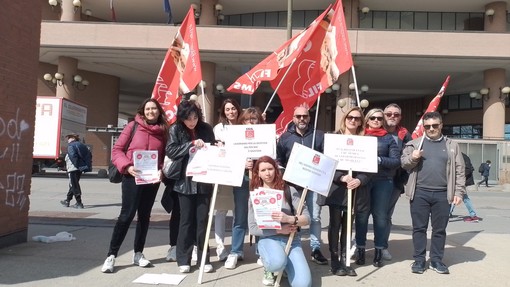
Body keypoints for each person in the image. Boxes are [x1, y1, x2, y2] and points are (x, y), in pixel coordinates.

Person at [101, 98, 168, 273]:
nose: (151, 112)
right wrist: (127, 166)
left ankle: (138, 253)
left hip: (151, 179)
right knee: (126, 215)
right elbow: (117, 151)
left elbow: (165, 156)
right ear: (142, 111)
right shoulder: (133, 127)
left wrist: (162, 169)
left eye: (154, 109)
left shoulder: (163, 131)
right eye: (148, 109)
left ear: (159, 111)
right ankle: (111, 255)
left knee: (144, 217)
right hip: (132, 177)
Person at [401, 111, 464, 275]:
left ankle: (436, 260)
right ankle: (419, 260)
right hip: (420, 193)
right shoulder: (414, 144)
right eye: (427, 126)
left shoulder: (452, 145)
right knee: (419, 228)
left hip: (443, 194)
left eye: (435, 125)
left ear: (441, 125)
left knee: (439, 230)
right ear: (423, 127)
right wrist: (414, 158)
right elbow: (404, 164)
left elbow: (459, 170)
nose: (431, 129)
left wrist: (459, 191)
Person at [317, 107, 370, 277]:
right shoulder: (334, 138)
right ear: (345, 119)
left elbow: (369, 169)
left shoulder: (365, 141)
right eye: (349, 117)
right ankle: (335, 261)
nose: (353, 120)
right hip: (338, 190)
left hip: (355, 191)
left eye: (356, 118)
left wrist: (359, 180)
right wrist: (341, 177)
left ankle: (346, 260)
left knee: (348, 227)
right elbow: (326, 163)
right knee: (335, 225)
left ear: (361, 121)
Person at [166, 99, 216, 274]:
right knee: (186, 221)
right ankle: (183, 258)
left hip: (204, 182)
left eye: (194, 117)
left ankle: (204, 258)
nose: (192, 121)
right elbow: (171, 151)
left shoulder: (206, 128)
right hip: (184, 182)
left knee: (202, 220)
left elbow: (213, 148)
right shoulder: (175, 129)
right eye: (188, 118)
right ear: (181, 118)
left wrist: (218, 146)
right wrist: (191, 144)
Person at [248, 156, 312, 287]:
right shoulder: (255, 195)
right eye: (263, 170)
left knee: (303, 284)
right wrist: (279, 230)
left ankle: (285, 267)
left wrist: (289, 219)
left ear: (276, 170)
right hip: (268, 239)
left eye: (270, 169)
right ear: (258, 173)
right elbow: (253, 228)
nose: (267, 173)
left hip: (291, 241)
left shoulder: (289, 190)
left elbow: (307, 219)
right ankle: (270, 268)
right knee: (276, 262)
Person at [276, 106, 327, 265]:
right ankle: (292, 244)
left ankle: (316, 249)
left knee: (315, 217)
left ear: (309, 118)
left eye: (305, 116)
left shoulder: (319, 136)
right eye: (298, 116)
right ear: (293, 118)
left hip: (312, 185)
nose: (302, 119)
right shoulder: (285, 137)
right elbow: (279, 159)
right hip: (291, 185)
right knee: (292, 217)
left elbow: (326, 159)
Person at [355, 108, 400, 268]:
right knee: (361, 216)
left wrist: (379, 159)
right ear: (367, 120)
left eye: (380, 119)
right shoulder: (360, 136)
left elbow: (396, 161)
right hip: (363, 181)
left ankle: (379, 251)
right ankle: (360, 250)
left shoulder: (388, 139)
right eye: (373, 118)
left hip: (383, 181)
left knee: (380, 217)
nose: (376, 120)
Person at [381, 103, 412, 260]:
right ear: (383, 115)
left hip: (393, 182)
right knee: (361, 214)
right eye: (389, 114)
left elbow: (410, 159)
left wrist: (403, 179)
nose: (392, 116)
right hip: (368, 180)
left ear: (400, 117)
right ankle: (358, 245)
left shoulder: (405, 136)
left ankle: (382, 246)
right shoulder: (371, 130)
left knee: (386, 216)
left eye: (396, 114)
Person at [213, 99, 241, 262]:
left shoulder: (244, 125)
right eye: (227, 109)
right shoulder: (219, 128)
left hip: (241, 172)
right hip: (224, 173)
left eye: (233, 108)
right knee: (221, 210)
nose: (231, 112)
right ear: (224, 112)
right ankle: (220, 247)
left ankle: (236, 248)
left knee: (239, 211)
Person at [60, 133, 91, 209]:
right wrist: (82, 166)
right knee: (73, 184)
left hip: (73, 168)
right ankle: (67, 200)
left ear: (73, 138)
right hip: (79, 168)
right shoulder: (82, 145)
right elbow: (89, 155)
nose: (68, 139)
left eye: (69, 138)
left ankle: (79, 202)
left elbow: (73, 156)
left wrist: (76, 165)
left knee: (74, 185)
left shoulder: (71, 146)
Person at [450, 153, 480, 222]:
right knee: (460, 196)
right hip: (461, 180)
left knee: (463, 197)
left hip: (461, 181)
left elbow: (468, 169)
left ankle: (473, 215)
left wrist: (458, 177)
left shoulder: (462, 157)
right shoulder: (461, 156)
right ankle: (473, 215)